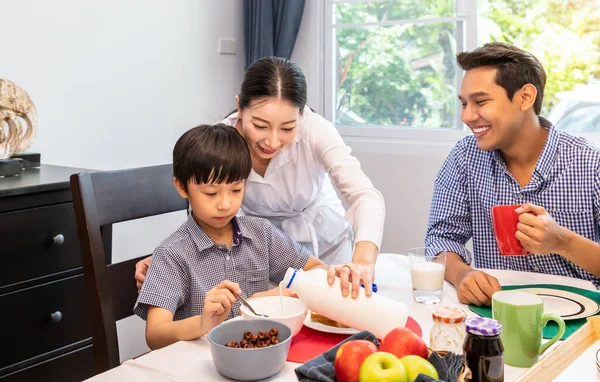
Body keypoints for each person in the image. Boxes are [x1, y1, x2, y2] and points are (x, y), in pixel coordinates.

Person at [136, 56, 386, 298]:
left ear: (301, 116)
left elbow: (365, 197)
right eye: (260, 125)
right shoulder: (221, 142)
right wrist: (174, 260)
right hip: (258, 251)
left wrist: (363, 261)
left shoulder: (317, 131)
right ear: (239, 108)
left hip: (325, 247)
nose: (272, 141)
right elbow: (208, 215)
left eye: (287, 128)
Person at [425, 42, 600, 306]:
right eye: (464, 104)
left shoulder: (589, 162)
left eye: (480, 102)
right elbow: (441, 238)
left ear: (525, 97)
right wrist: (462, 274)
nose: (468, 115)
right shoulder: (465, 156)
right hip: (496, 314)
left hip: (584, 320)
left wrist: (561, 241)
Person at [134, 124, 327, 350]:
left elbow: (317, 271)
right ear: (182, 187)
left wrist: (271, 296)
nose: (226, 204)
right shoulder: (172, 255)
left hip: (261, 355)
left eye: (236, 190)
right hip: (199, 366)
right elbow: (155, 335)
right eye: (211, 193)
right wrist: (204, 322)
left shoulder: (261, 233)